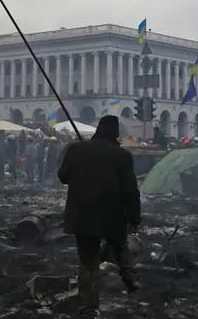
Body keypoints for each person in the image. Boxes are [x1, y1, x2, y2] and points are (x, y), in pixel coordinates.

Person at [58, 115, 141, 316]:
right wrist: (134, 218)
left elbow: (63, 177)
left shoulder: (76, 150)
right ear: (116, 133)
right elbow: (130, 191)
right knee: (119, 245)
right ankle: (130, 277)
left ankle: (89, 305)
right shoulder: (122, 155)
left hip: (82, 214)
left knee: (88, 262)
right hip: (111, 215)